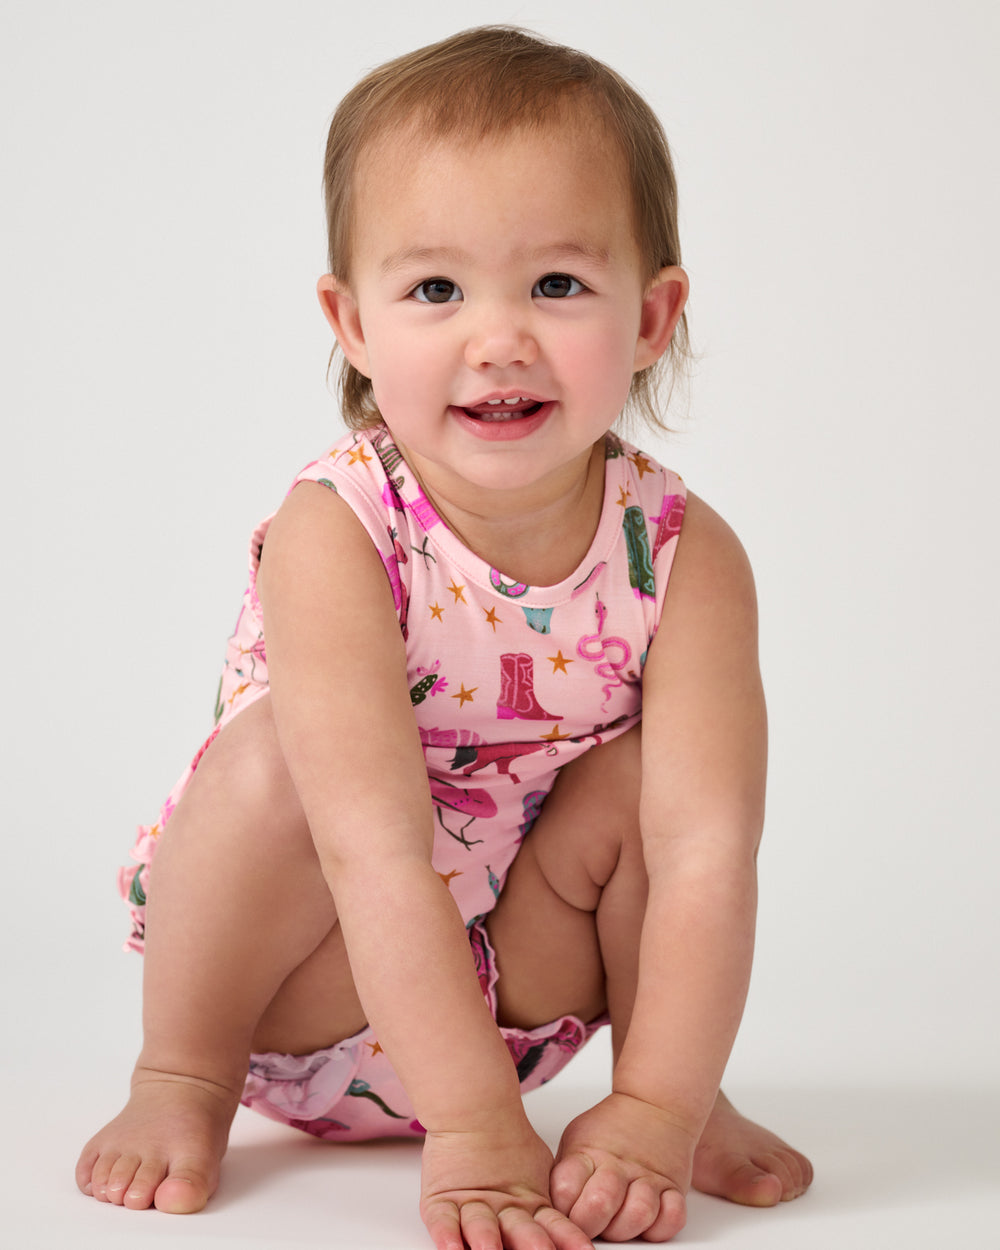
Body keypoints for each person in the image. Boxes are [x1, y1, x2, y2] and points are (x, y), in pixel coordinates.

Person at [76, 25, 813, 1248]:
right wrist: (473, 1124)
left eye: (557, 284)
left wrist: (659, 1103)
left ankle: (670, 1099)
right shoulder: (340, 529)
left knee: (653, 795)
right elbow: (368, 847)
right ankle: (180, 1071)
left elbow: (704, 855)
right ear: (352, 321)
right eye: (435, 290)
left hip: (520, 980)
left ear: (652, 316)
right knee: (273, 764)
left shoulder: (685, 556)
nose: (499, 337)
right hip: (308, 977)